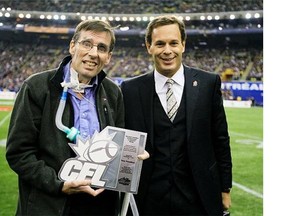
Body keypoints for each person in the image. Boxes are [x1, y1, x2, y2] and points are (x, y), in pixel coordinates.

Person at [6, 19, 148, 216]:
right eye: (86, 44)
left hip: (100, 204)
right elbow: (19, 153)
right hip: (52, 205)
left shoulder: (113, 92)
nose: (93, 53)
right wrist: (59, 184)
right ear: (72, 46)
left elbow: (116, 147)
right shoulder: (37, 87)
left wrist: (131, 155)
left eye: (101, 48)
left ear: (108, 57)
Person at [121, 15, 232, 215]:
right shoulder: (130, 89)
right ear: (149, 47)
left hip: (197, 196)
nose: (167, 51)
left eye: (173, 43)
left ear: (183, 45)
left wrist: (225, 189)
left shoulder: (208, 83)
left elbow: (221, 140)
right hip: (148, 198)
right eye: (160, 43)